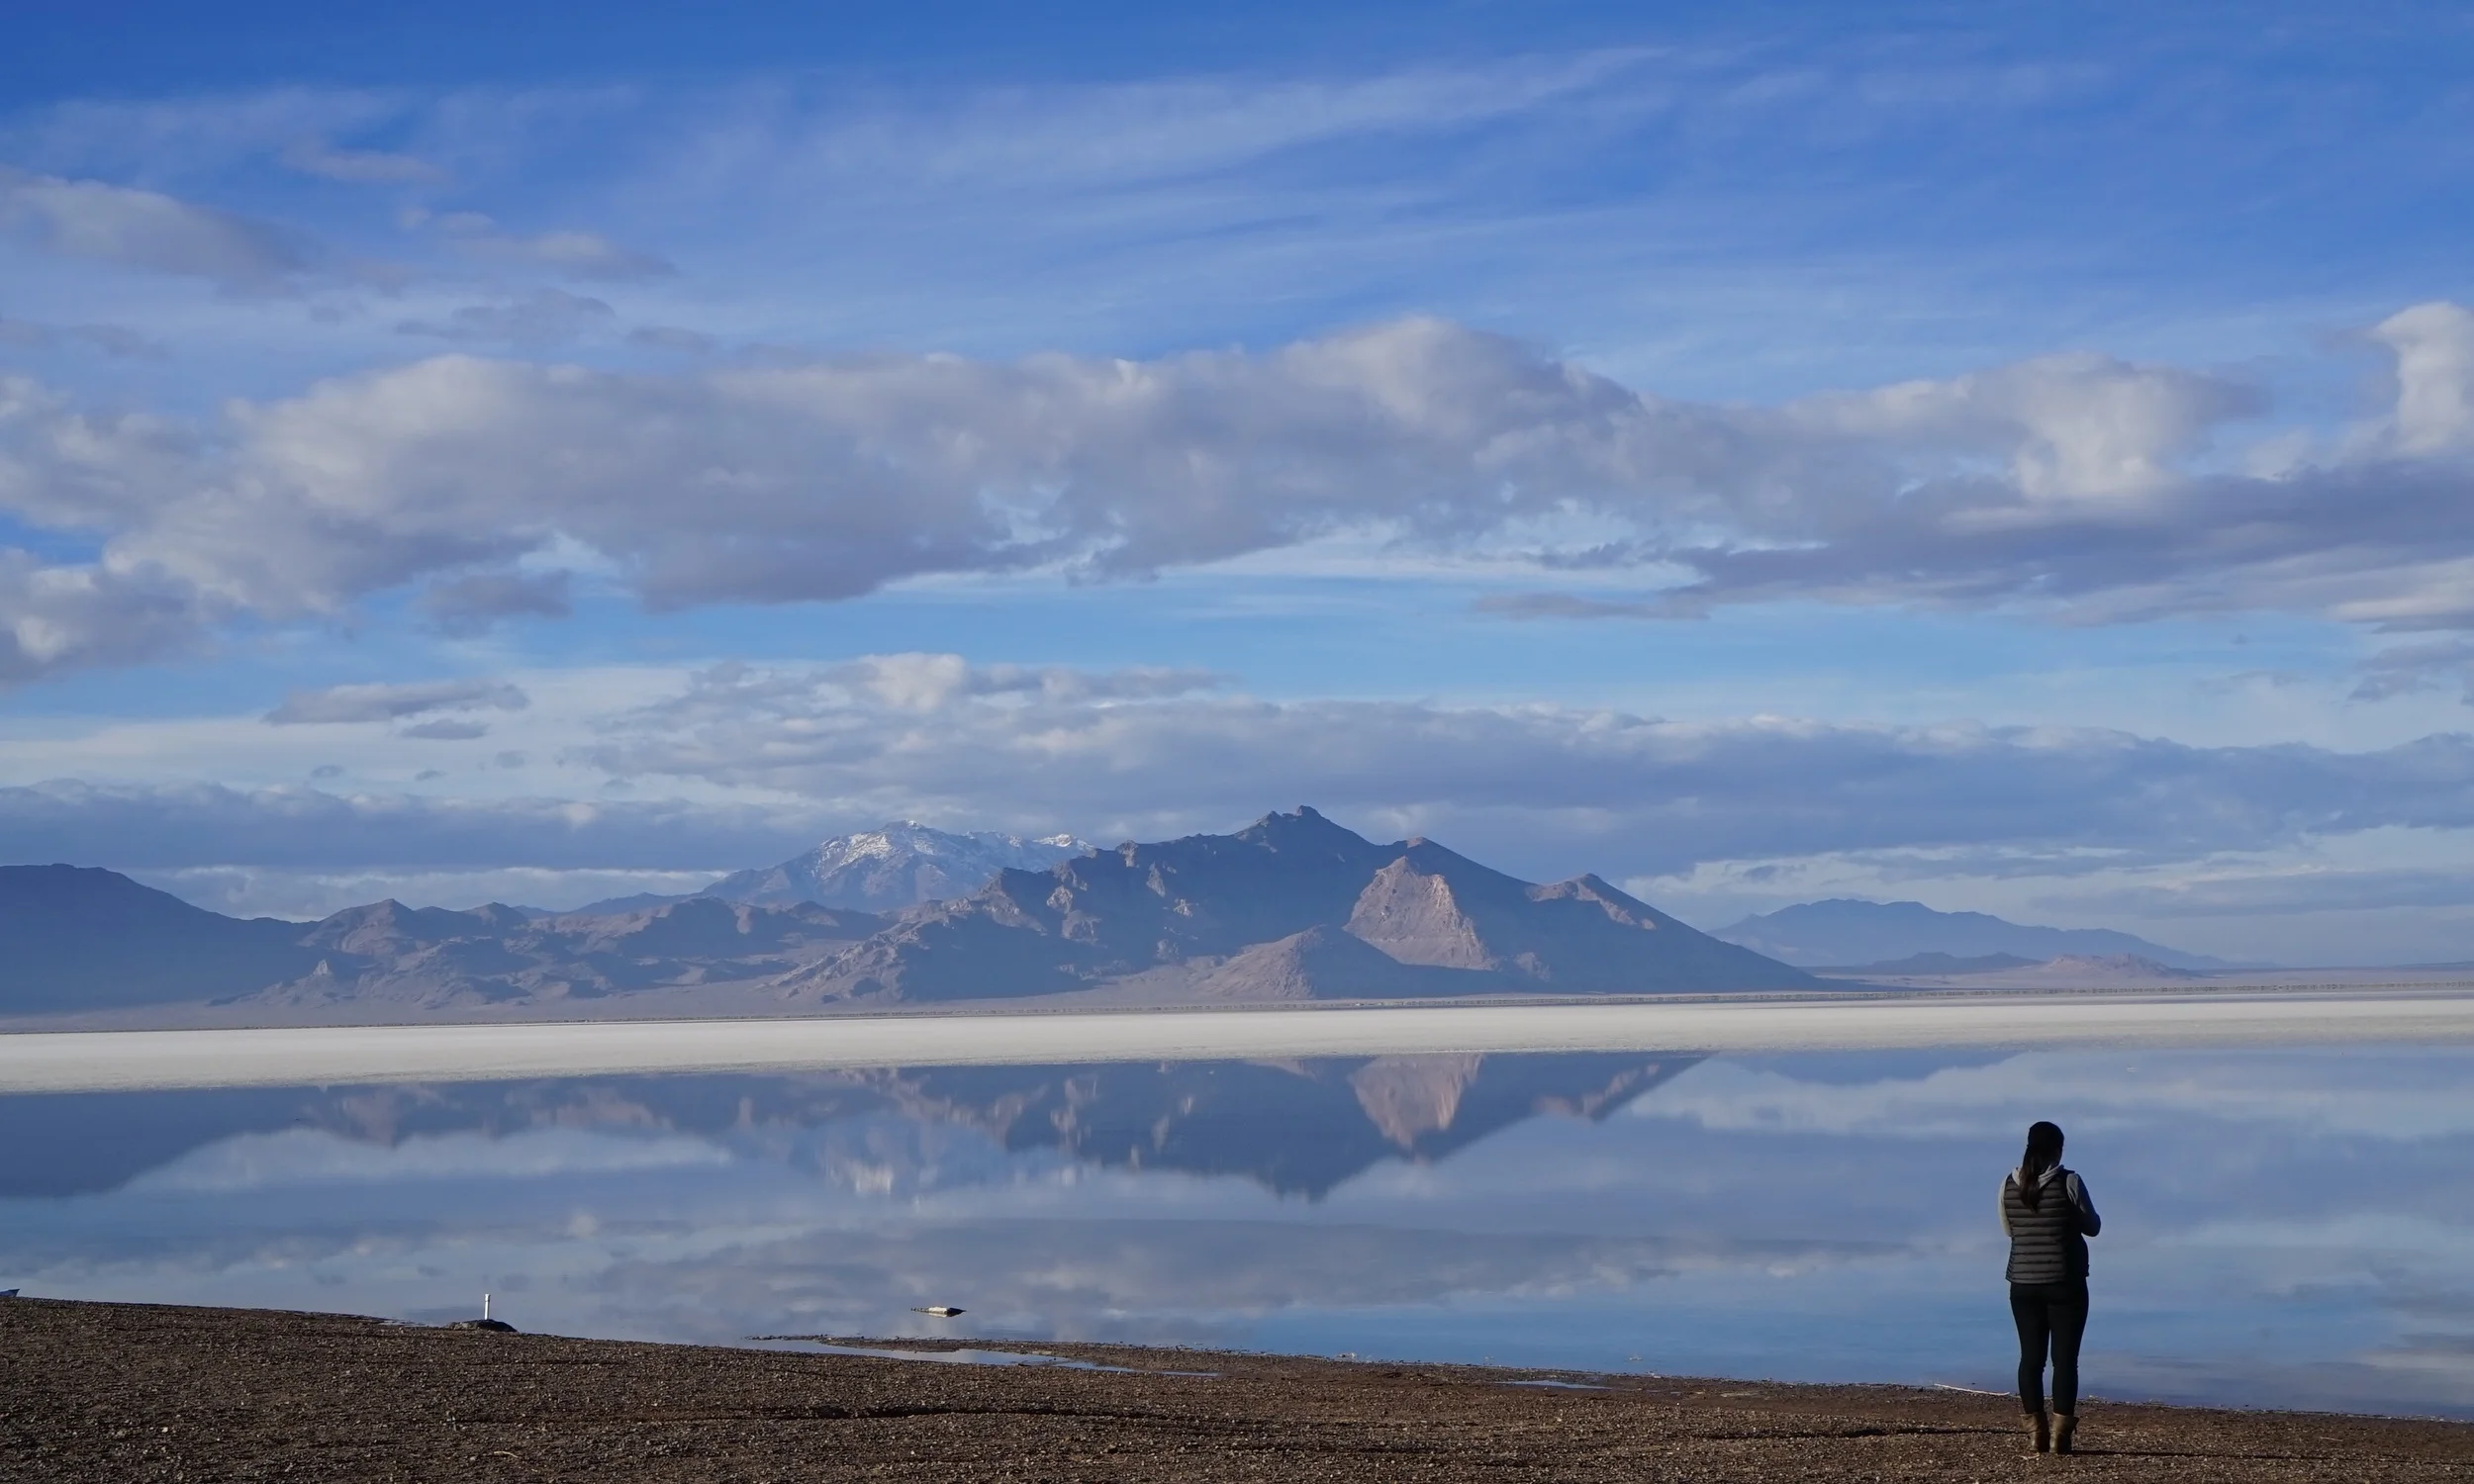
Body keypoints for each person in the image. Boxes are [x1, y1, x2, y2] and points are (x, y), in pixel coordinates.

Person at [2001, 1120, 2100, 1454]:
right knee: (2064, 1361)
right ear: (2058, 1149)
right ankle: (2061, 1437)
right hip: (2065, 1282)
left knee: (2030, 1359)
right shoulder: (2069, 1181)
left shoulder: (2008, 1184)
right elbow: (2093, 1226)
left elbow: (2009, 1230)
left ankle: (2036, 1433)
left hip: (2022, 1284)